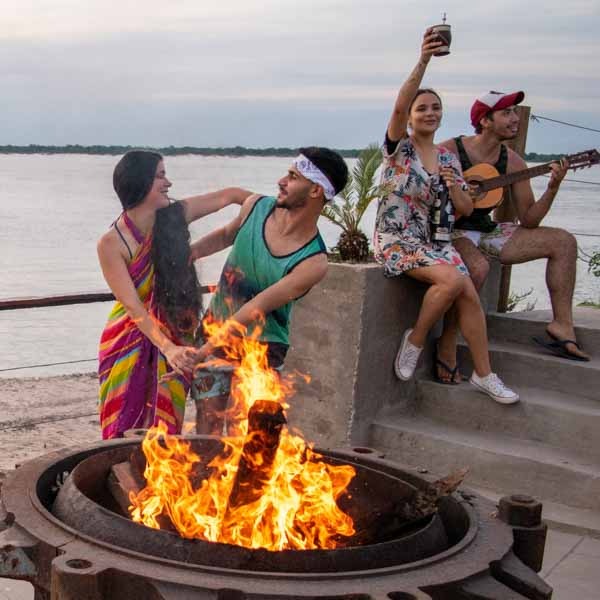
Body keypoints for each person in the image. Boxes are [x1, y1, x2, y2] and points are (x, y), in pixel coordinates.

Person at [373, 29, 519, 403]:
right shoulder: (399, 149)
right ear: (410, 117)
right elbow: (398, 105)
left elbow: (465, 209)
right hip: (397, 238)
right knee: (454, 279)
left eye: (435, 108)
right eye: (422, 108)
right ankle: (417, 339)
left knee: (467, 291)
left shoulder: (448, 158)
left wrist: (455, 187)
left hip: (433, 242)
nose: (429, 113)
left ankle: (484, 374)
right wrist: (424, 59)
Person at [190, 146, 349, 434]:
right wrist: (185, 256)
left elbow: (255, 308)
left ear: (316, 190)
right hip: (214, 330)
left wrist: (201, 352)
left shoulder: (312, 262)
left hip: (262, 348)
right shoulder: (255, 207)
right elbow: (226, 235)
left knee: (243, 431)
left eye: (293, 177)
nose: (281, 181)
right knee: (207, 426)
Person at [435, 90, 589, 379]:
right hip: (451, 231)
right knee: (477, 268)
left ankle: (562, 326)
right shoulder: (449, 150)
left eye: (516, 112)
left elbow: (529, 218)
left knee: (563, 242)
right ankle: (448, 340)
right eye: (506, 112)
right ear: (485, 120)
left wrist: (552, 188)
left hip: (487, 230)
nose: (515, 118)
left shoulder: (513, 162)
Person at [97, 150, 250, 439]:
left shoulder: (174, 216)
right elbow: (133, 308)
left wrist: (271, 212)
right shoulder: (111, 243)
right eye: (160, 176)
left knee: (167, 430)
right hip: (128, 342)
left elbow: (230, 195)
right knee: (123, 430)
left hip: (177, 334)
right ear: (140, 182)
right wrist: (168, 349)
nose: (168, 183)